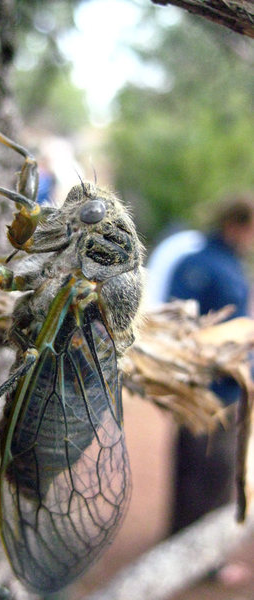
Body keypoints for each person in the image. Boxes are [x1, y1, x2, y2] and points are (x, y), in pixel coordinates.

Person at [163, 193, 254, 583]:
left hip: (228, 391)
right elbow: (178, 326)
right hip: (208, 393)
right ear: (236, 225)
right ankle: (200, 561)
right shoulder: (202, 264)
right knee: (208, 474)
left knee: (202, 471)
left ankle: (185, 552)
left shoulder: (226, 263)